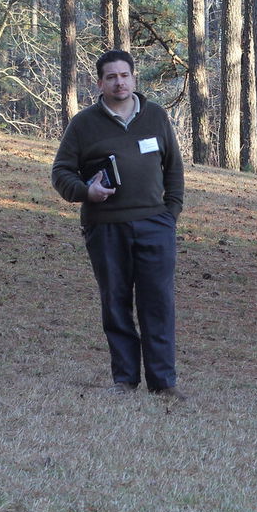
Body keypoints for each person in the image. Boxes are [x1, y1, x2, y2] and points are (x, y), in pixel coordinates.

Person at [51, 49, 186, 399]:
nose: (119, 82)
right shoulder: (84, 124)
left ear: (133, 78)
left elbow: (173, 168)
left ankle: (163, 383)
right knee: (116, 302)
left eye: (124, 75)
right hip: (105, 227)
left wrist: (169, 213)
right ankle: (124, 380)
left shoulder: (155, 116)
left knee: (158, 303)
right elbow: (61, 172)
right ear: (100, 83)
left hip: (155, 226)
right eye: (111, 77)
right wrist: (86, 191)